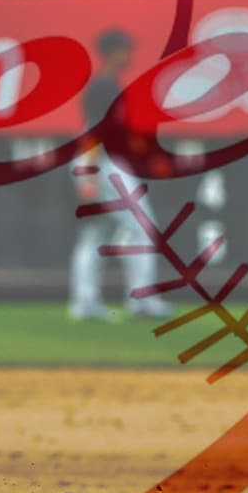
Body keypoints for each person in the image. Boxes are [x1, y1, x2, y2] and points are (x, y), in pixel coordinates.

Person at [68, 30, 170, 322]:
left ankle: (84, 302)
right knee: (142, 227)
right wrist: (88, 174)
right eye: (124, 49)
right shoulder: (104, 86)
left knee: (94, 233)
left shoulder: (108, 84)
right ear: (111, 52)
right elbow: (94, 131)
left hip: (101, 161)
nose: (128, 55)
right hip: (101, 163)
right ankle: (142, 300)